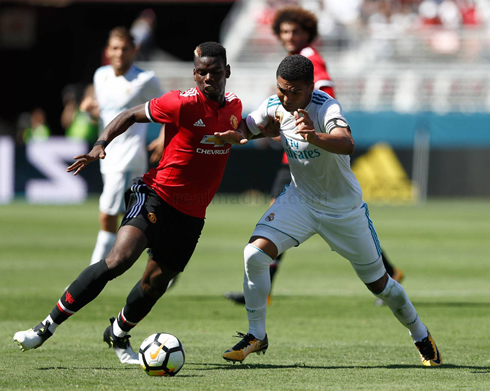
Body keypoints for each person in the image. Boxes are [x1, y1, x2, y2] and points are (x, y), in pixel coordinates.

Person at [13, 41, 245, 365]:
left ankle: (119, 334)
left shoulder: (235, 108)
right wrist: (100, 143)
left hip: (192, 215)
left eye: (215, 72)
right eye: (202, 73)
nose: (209, 78)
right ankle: (46, 326)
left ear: (227, 72)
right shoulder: (179, 103)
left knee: (155, 284)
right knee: (119, 260)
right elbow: (129, 115)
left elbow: (245, 130)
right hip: (156, 195)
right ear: (194, 74)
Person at [220, 55, 441, 367]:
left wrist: (314, 136)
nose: (286, 97)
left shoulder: (326, 107)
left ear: (311, 87)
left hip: (343, 210)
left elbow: (346, 142)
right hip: (300, 201)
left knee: (380, 284)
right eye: (282, 89)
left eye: (294, 91)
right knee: (254, 254)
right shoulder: (274, 103)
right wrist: (239, 134)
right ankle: (257, 335)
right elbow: (250, 127)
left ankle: (420, 333)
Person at [224, 5, 404, 307]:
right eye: (283, 31)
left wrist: (303, 126)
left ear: (308, 33)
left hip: (311, 148)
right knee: (300, 218)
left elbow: (324, 96)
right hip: (297, 152)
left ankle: (262, 290)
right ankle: (389, 272)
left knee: (292, 216)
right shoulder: (294, 62)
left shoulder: (310, 60)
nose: (288, 36)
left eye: (295, 31)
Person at [89, 27, 165, 267]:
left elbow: (170, 112)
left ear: (134, 50)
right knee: (135, 216)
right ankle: (164, 259)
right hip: (106, 157)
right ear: (107, 51)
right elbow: (104, 116)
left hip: (128, 156)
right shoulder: (100, 76)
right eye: (115, 48)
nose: (119, 53)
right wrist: (90, 110)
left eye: (124, 48)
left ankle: (90, 274)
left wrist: (163, 138)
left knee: (107, 215)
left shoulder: (145, 79)